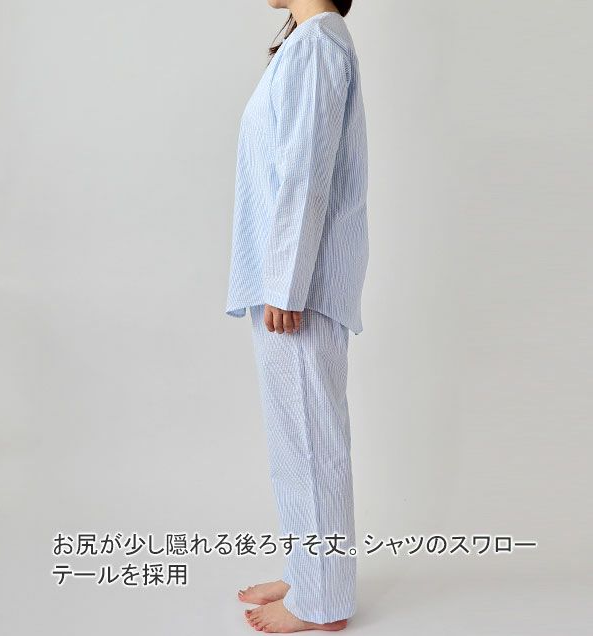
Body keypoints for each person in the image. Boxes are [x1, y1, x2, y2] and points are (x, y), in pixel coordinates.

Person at [225, 0, 369, 632]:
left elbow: (305, 173)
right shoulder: (305, 42)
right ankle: (310, 572)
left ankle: (324, 602)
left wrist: (286, 283)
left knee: (311, 442)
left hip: (297, 286)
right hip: (285, 277)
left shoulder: (317, 45)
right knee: (296, 441)